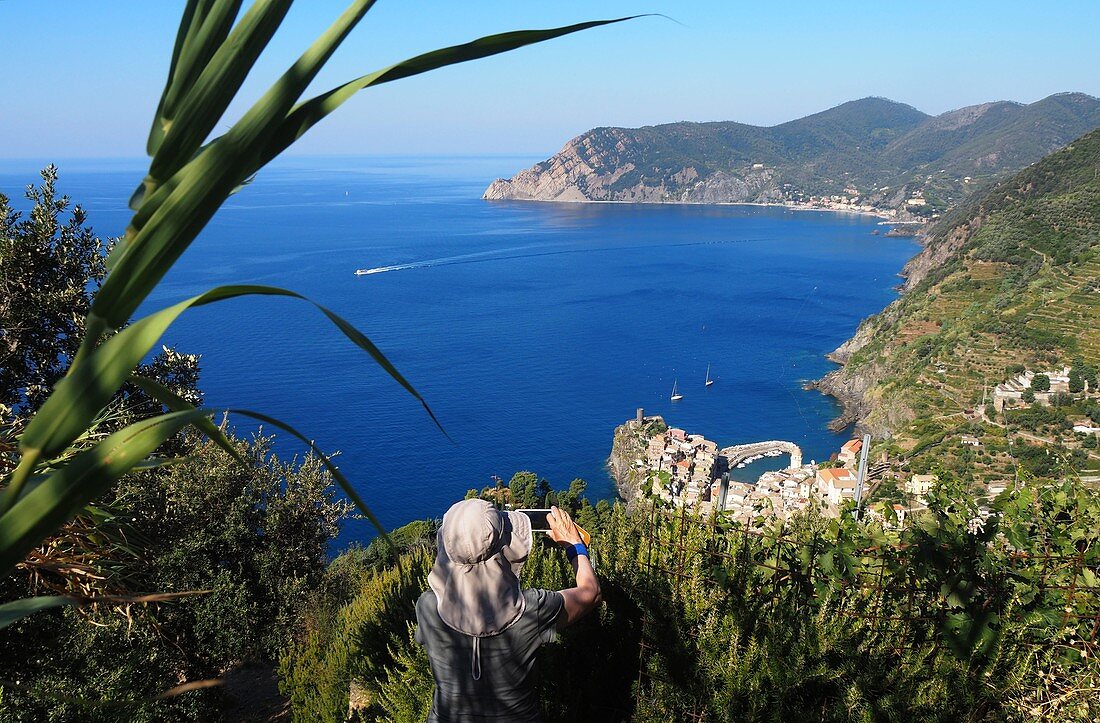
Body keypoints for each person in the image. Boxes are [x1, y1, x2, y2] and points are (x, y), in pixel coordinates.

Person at [414, 499, 601, 722]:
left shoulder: (427, 607)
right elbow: (591, 593)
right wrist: (574, 545)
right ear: (505, 546)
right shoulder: (533, 609)